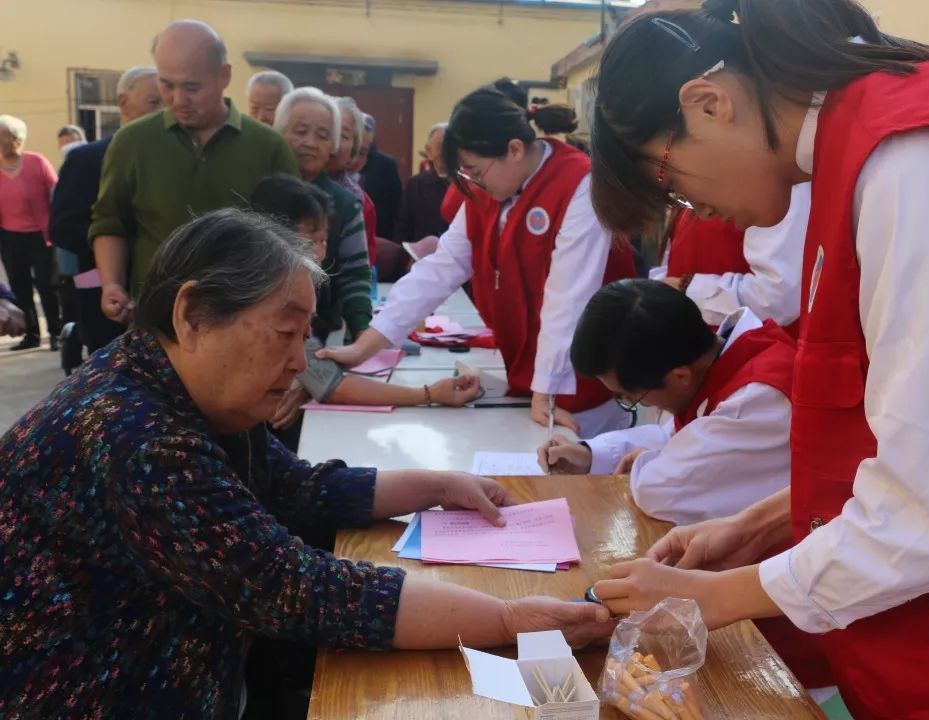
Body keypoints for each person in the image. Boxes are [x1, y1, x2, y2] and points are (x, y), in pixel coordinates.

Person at [585, 1, 929, 717]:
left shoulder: (920, 160)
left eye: (668, 182)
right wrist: (755, 526)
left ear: (710, 103)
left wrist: (719, 596)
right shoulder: (849, 160)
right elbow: (911, 433)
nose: (690, 210)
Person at [0, 209, 613, 718]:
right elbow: (292, 587)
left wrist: (439, 484)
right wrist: (508, 618)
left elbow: (292, 486)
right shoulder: (135, 434)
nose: (302, 363)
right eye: (285, 333)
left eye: (305, 337)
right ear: (191, 315)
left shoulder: (178, 391)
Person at [319, 84, 637, 439]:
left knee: (575, 473)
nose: (473, 183)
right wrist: (367, 345)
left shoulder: (580, 183)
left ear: (514, 150)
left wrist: (547, 390)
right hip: (530, 379)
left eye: (476, 171)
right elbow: (442, 267)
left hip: (581, 382)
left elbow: (569, 298)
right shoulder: (488, 189)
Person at [90, 19, 298, 326]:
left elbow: (293, 235)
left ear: (224, 75)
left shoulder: (269, 147)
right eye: (166, 84)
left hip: (242, 320)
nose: (177, 100)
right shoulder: (131, 142)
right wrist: (112, 284)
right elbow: (110, 220)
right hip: (156, 321)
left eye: (191, 87)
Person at [539, 279, 793, 526]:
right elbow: (677, 437)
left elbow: (660, 492)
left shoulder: (752, 399)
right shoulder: (714, 358)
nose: (646, 406)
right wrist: (590, 454)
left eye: (631, 398)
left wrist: (651, 461)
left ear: (679, 375)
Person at [248, 174, 481, 441]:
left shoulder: (270, 283)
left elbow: (317, 373)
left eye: (324, 240)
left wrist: (311, 380)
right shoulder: (277, 298)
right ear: (270, 236)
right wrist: (428, 394)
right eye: (311, 241)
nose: (320, 253)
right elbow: (334, 387)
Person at [50, 66, 161, 356]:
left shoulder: (170, 160)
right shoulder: (88, 159)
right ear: (124, 103)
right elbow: (62, 227)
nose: (163, 111)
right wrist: (115, 245)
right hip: (104, 295)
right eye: (154, 102)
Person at [275, 87, 373, 338]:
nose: (310, 143)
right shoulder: (259, 192)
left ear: (333, 145)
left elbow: (355, 274)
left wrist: (362, 332)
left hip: (315, 333)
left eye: (322, 135)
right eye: (300, 131)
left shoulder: (346, 205)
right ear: (278, 132)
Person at [652, 182, 810, 327]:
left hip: (748, 349)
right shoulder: (694, 186)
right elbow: (674, 257)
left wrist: (686, 289)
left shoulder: (771, 185)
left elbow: (778, 299)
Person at [0, 114, 62, 351]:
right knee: (19, 286)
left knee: (46, 286)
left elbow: (57, 193)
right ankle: (30, 333)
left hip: (41, 235)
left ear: (16, 139)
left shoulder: (36, 162)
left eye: (4, 137)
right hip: (9, 236)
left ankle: (55, 333)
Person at [328, 96, 379, 265]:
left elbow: (362, 267)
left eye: (343, 136)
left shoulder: (360, 202)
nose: (334, 143)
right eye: (327, 132)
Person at [395, 122, 454, 246]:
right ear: (428, 151)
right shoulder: (415, 184)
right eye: (439, 146)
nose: (444, 152)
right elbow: (404, 226)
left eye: (448, 146)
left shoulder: (464, 184)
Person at [357, 113, 403, 240]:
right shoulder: (338, 158)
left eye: (367, 130)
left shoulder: (386, 164)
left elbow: (397, 204)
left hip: (379, 235)